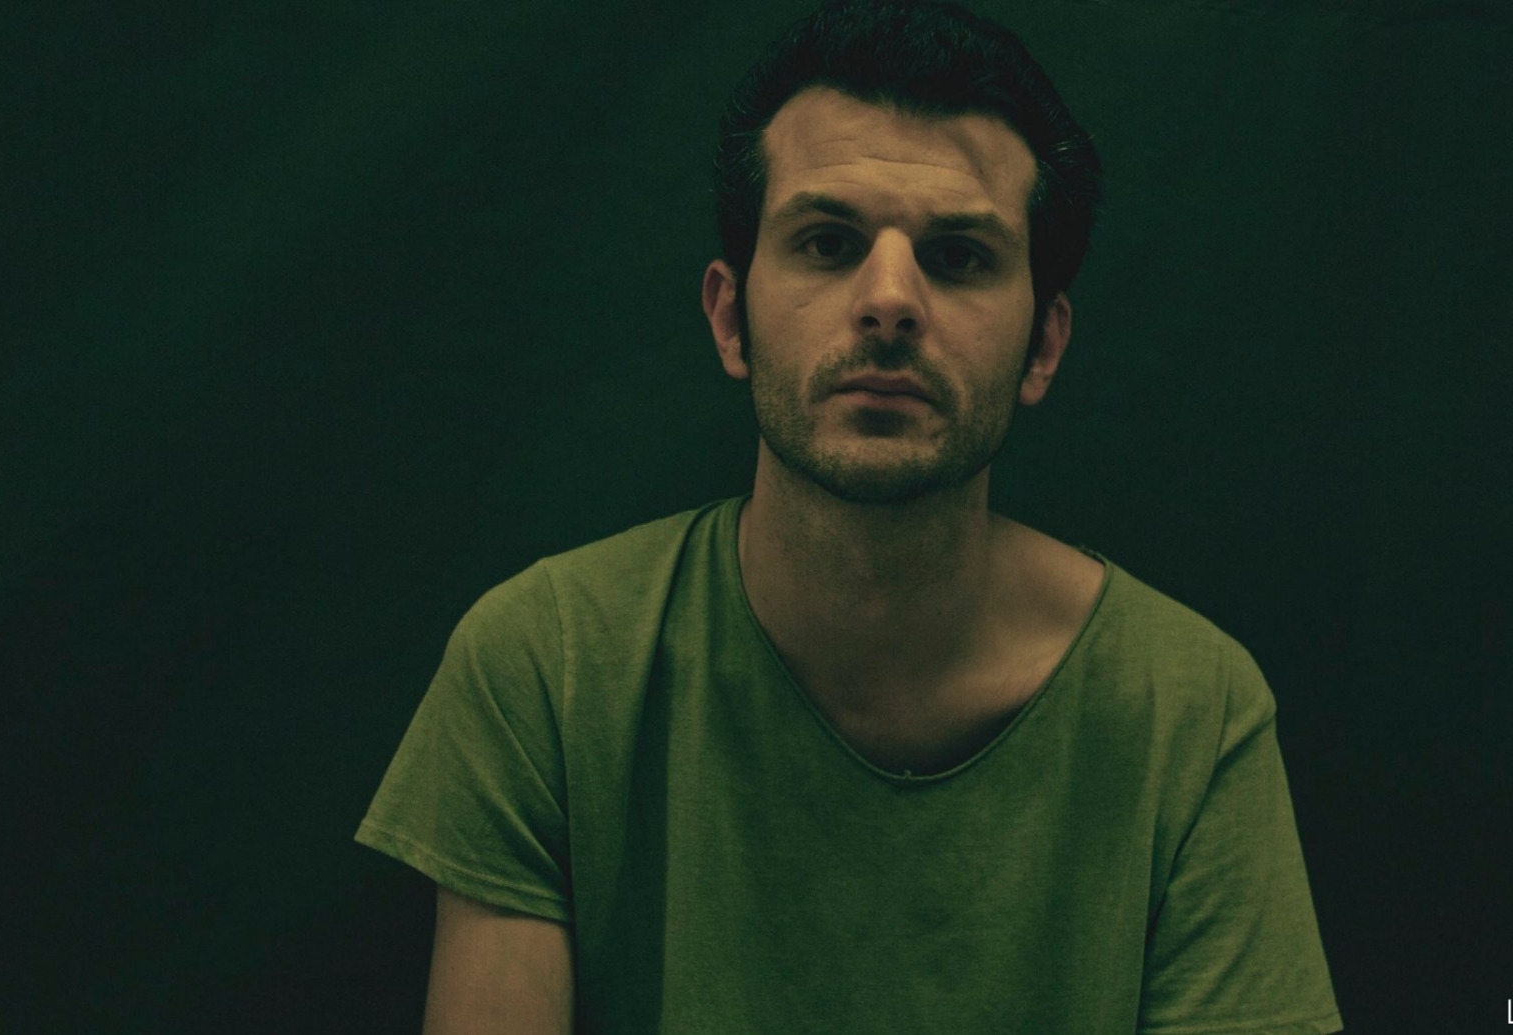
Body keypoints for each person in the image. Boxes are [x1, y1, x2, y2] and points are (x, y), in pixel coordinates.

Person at [355, 1, 1343, 1032]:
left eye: (958, 256)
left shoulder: (1191, 712)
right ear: (730, 318)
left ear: (1044, 346)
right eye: (828, 243)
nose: (889, 300)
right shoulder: (548, 666)